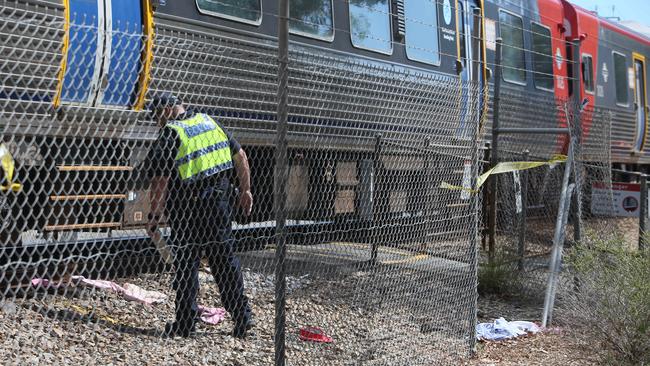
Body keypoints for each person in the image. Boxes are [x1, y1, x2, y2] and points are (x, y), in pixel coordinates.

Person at [145, 93, 254, 338]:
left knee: (186, 265)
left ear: (165, 110)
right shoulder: (209, 122)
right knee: (225, 262)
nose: (157, 122)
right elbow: (241, 156)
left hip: (188, 210)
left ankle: (185, 324)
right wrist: (245, 190)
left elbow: (160, 180)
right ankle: (242, 317)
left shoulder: (172, 133)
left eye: (156, 116)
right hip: (219, 205)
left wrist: (154, 214)